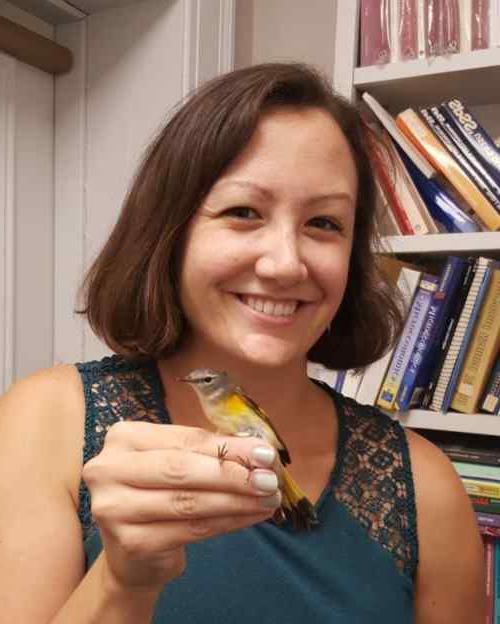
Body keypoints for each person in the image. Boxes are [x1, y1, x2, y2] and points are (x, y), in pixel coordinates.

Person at [0, 63, 485, 623]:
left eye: (325, 223)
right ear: (171, 233)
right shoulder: (45, 422)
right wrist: (120, 580)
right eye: (243, 212)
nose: (284, 264)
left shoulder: (426, 487)